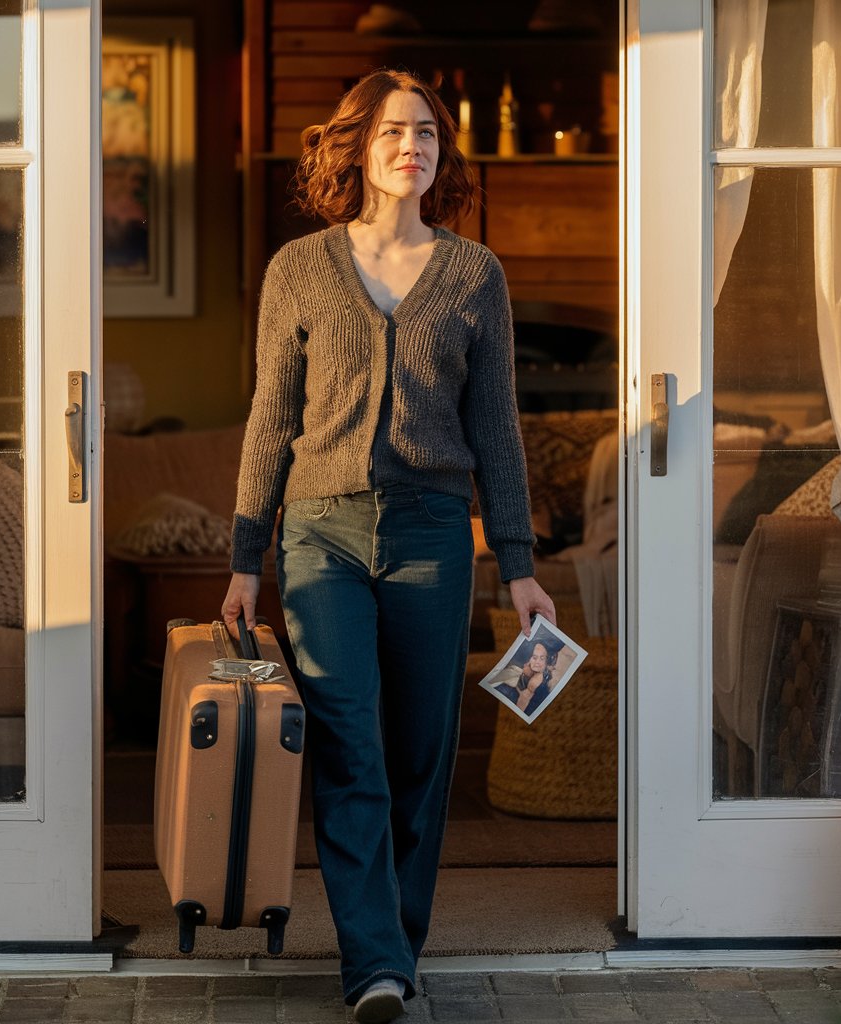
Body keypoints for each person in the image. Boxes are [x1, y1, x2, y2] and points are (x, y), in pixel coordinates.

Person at [222, 68, 556, 1024]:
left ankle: (395, 947)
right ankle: (372, 961)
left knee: (421, 752)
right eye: (394, 132)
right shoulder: (299, 269)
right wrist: (248, 555)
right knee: (348, 746)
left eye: (428, 134)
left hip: (433, 539)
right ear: (357, 149)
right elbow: (267, 422)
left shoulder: (473, 274)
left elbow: (497, 428)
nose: (413, 146)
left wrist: (523, 568)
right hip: (320, 536)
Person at [493, 639, 558, 717]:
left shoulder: (535, 682)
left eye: (542, 658)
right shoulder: (535, 670)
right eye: (534, 658)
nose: (537, 662)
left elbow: (523, 701)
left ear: (546, 661)